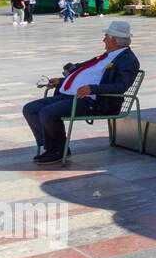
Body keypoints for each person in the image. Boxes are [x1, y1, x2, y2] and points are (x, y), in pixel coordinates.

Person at [22, 20, 140, 164]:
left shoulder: (128, 60)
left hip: (92, 102)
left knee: (48, 113)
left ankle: (57, 150)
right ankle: (55, 146)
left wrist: (93, 89)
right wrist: (62, 81)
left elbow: (121, 86)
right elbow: (83, 70)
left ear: (115, 40)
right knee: (30, 109)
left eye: (106, 36)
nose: (103, 39)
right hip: (70, 96)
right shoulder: (106, 56)